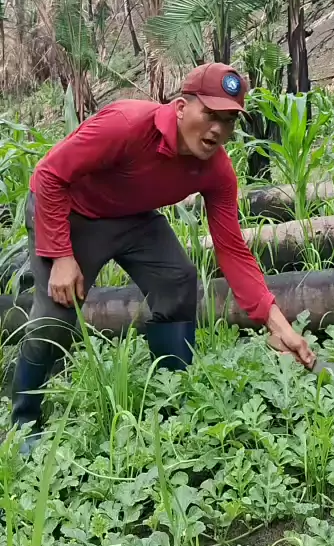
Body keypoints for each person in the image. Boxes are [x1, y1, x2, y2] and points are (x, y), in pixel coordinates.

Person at [11, 63, 316, 445]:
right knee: (54, 318)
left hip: (132, 217)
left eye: (228, 121)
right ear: (181, 107)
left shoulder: (217, 171)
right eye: (210, 114)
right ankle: (24, 421)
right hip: (70, 213)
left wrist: (279, 326)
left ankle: (173, 397)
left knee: (178, 280)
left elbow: (233, 250)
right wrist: (60, 255)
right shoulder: (126, 124)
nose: (218, 129)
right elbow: (48, 175)